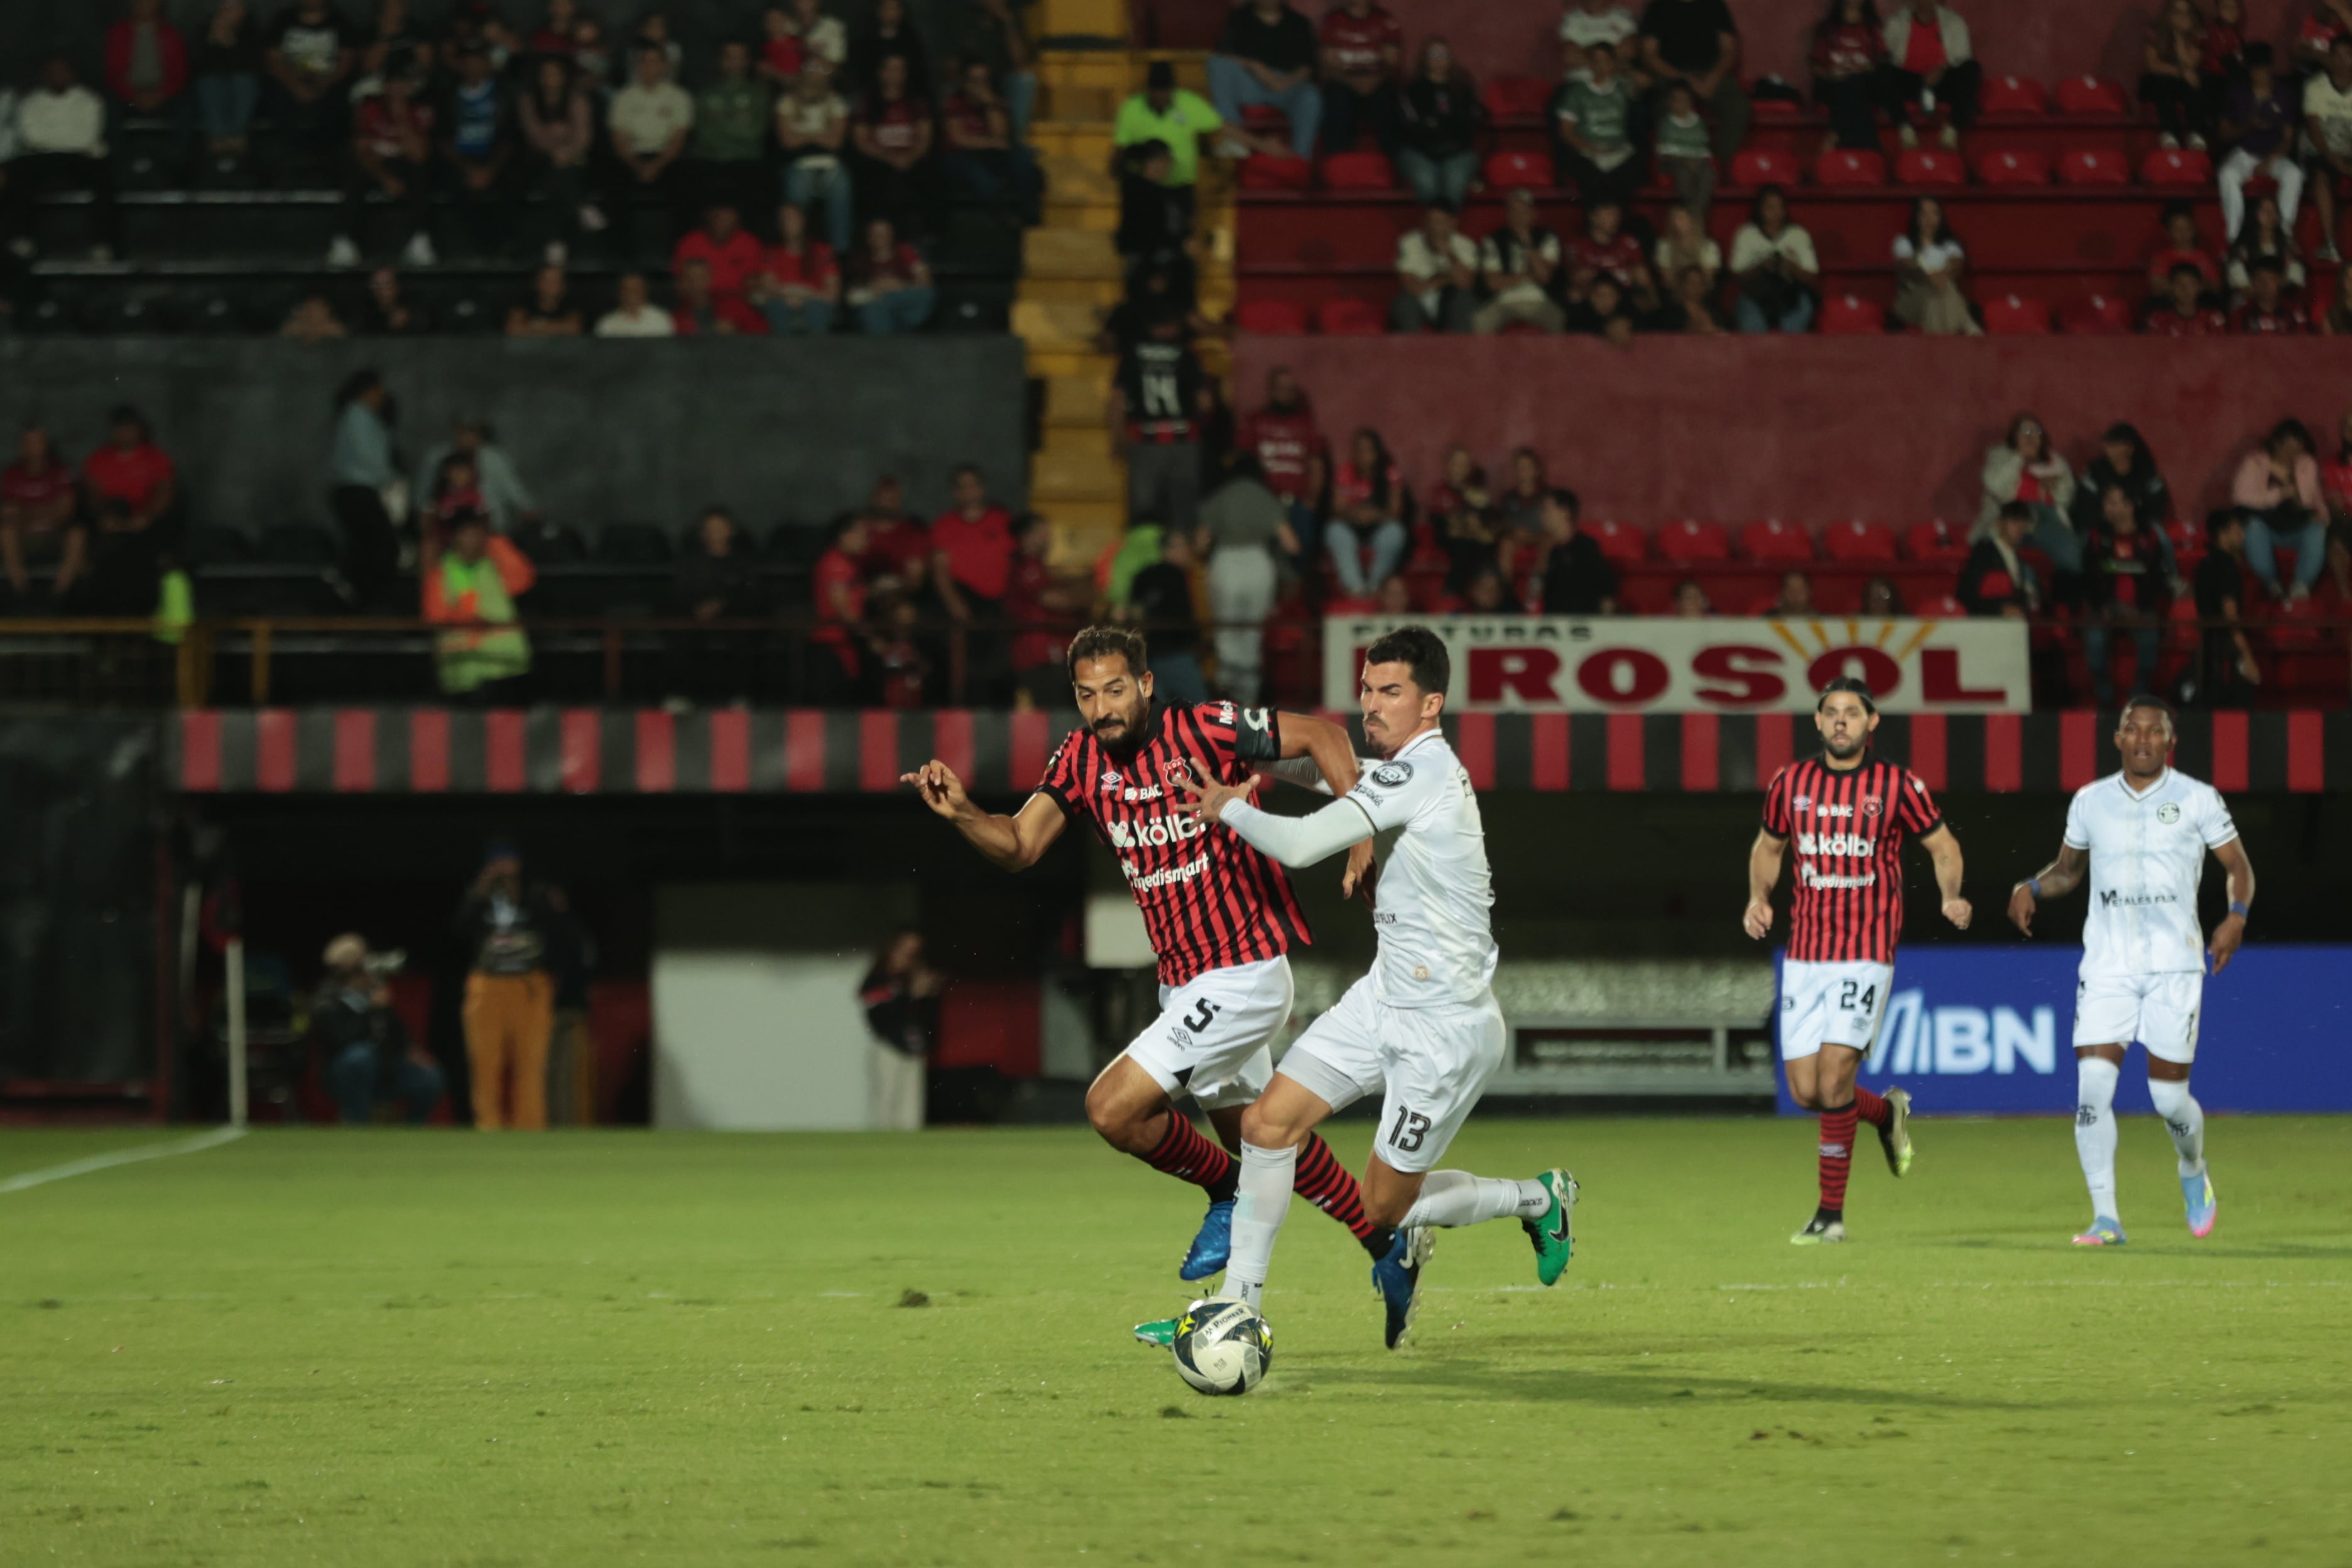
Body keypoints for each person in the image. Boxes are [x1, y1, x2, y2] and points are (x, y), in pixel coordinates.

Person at [901, 625, 1387, 1315]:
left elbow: (1326, 739)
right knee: (1268, 1135)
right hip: (1185, 983)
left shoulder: (1205, 729)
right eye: (1088, 694)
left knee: (1112, 1107)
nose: (1103, 708)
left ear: (1147, 685)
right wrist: (963, 814)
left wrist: (1359, 831)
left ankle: (1225, 1195)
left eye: (1116, 689)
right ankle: (1383, 1243)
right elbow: (1017, 845)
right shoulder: (1078, 759)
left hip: (1244, 970)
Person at [1172, 626, 1580, 1350]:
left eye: (1390, 692)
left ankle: (1538, 1198)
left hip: (1445, 1030)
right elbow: (1339, 772)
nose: (1371, 704)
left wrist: (1228, 807)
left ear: (1432, 704)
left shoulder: (1423, 772)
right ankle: (1236, 1307)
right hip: (1380, 1000)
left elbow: (1300, 846)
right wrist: (1263, 761)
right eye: (1366, 689)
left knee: (1384, 1211)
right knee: (1268, 1126)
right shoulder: (1397, 771)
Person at [2006, 697, 2253, 1246]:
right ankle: (2106, 1218)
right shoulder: (2091, 801)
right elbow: (2069, 871)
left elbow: (2238, 867)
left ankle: (2193, 1169)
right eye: (2132, 730)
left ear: (2171, 742)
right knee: (2093, 1088)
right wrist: (2034, 886)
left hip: (2175, 965)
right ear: (2117, 739)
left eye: (2154, 731)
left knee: (2169, 1101)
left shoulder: (2197, 798)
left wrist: (2235, 917)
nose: (2143, 739)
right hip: (2108, 965)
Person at [1745, 676, 1966, 1244]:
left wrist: (1950, 895)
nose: (1841, 721)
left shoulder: (1897, 786)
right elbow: (1769, 847)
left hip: (1865, 954)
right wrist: (1758, 898)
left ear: (1872, 723)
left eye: (1852, 712)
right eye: (1831, 712)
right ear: (1817, 723)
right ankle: (1886, 1116)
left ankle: (1830, 1216)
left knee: (1835, 1075)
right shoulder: (1789, 783)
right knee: (1807, 1092)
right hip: (1805, 956)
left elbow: (1943, 845)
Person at [452, 842, 555, 1131]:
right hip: (488, 985)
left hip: (528, 986)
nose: (503, 869)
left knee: (531, 1064)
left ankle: (530, 1126)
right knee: (485, 1063)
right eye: (498, 863)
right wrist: (480, 891)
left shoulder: (534, 897)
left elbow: (552, 929)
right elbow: (459, 933)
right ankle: (488, 1126)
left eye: (509, 862)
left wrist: (523, 894)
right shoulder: (479, 899)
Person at [315, 934, 443, 1126]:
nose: (368, 975)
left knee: (429, 1076)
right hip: (344, 1073)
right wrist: (370, 1012)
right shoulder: (328, 1000)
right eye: (360, 971)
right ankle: (356, 1122)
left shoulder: (377, 996)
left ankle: (415, 1130)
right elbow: (341, 1040)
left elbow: (398, 1033)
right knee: (360, 1056)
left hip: (386, 1070)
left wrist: (411, 1049)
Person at [1200, 455, 1296, 705]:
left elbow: (1201, 542)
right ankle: (1249, 699)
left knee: (1226, 631)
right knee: (1252, 633)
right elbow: (1291, 543)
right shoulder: (1266, 498)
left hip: (1225, 563)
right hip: (1258, 563)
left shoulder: (1220, 496)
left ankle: (1225, 699)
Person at [4, 58, 117, 262]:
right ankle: (21, 239)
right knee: (18, 173)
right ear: (44, 76)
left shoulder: (90, 101)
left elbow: (87, 136)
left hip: (81, 158)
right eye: (52, 72)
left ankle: (104, 243)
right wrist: (60, 142)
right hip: (43, 159)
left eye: (62, 71)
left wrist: (54, 142)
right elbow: (31, 135)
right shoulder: (31, 103)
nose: (57, 76)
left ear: (72, 75)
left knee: (104, 178)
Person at [1111, 312, 1208, 536]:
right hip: (1182, 440)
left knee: (1144, 513)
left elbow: (1117, 400)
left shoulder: (1132, 356)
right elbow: (1205, 403)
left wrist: (1118, 438)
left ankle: (1144, 561)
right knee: (1183, 513)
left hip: (1145, 441)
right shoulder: (1188, 356)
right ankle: (1180, 562)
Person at [425, 509, 535, 699]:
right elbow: (434, 614)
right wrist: (470, 620)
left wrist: (494, 540)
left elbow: (523, 580)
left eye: (477, 532)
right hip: (463, 672)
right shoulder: (441, 572)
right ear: (453, 538)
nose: (472, 539)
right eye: (465, 533)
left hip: (507, 667)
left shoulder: (496, 564)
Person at [1113, 61, 1228, 242]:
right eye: (1156, 90)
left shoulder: (1189, 103)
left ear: (1172, 89)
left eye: (1164, 90)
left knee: (1186, 237)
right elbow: (1120, 152)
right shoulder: (1132, 108)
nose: (1160, 96)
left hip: (1181, 186)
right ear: (1149, 90)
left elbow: (1221, 126)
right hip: (1145, 190)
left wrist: (1261, 144)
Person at [2081, 486, 2171, 705]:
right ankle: (2105, 698)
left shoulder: (2149, 537)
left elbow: (2158, 580)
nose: (2109, 508)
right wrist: (2102, 606)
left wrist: (2140, 608)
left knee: (2150, 636)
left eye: (2115, 502)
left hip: (2139, 608)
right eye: (2107, 502)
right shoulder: (2096, 536)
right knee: (2094, 639)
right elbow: (2088, 577)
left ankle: (2139, 696)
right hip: (2105, 608)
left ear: (2130, 506)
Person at [1209, 0, 1323, 160]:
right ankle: (1234, 138)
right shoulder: (1239, 18)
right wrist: (1255, 66)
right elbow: (1223, 53)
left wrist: (1283, 83)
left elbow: (1308, 66)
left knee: (1310, 95)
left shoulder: (1298, 22)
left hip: (1287, 85)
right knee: (1218, 65)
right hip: (1251, 84)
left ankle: (1300, 159)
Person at [1638, 0, 1748, 163]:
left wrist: (1713, 78)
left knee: (1738, 106)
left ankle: (1718, 163)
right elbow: (1649, 55)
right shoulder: (1659, 6)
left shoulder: (1715, 5)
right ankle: (1675, 165)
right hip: (1670, 75)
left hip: (1710, 74)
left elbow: (1729, 49)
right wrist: (1683, 79)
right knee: (1662, 107)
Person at [1976, 411, 2078, 582]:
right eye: (2025, 432)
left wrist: (2055, 488)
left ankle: (2064, 598)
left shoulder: (2056, 463)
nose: (2031, 437)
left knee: (2072, 557)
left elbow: (2066, 498)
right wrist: (2019, 458)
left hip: (2048, 518)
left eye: (2036, 431)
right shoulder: (2000, 457)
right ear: (2014, 436)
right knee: (2003, 558)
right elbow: (1996, 487)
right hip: (2013, 516)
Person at [519, 54, 602, 261]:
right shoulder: (528, 101)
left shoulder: (577, 99)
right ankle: (580, 205)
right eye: (546, 75)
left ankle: (555, 242)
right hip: (540, 158)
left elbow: (583, 135)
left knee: (560, 176)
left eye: (555, 74)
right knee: (555, 173)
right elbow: (534, 134)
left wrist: (568, 152)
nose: (551, 79)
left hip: (574, 159)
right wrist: (555, 151)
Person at [2232, 418, 2326, 600]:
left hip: (2296, 525)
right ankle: (2270, 583)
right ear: (2276, 443)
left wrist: (2320, 514)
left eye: (2298, 450)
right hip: (2267, 526)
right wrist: (2279, 494)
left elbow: (2316, 500)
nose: (2293, 455)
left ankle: (2301, 586)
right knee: (2253, 526)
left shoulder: (2307, 465)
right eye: (2289, 449)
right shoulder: (2255, 462)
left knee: (2317, 529)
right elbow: (2241, 498)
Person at [2218, 43, 2302, 240]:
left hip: (2274, 155)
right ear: (2249, 70)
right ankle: (2235, 237)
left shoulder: (2286, 95)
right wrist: (2246, 126)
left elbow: (2288, 139)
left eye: (2263, 69)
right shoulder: (2237, 93)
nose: (2259, 74)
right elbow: (2223, 134)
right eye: (2255, 69)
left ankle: (2283, 234)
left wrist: (2270, 160)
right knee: (2227, 175)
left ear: (2271, 68)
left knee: (2294, 175)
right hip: (2245, 153)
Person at [327, 373, 397, 610]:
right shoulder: (358, 415)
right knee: (382, 545)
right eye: (379, 391)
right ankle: (355, 592)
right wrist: (390, 479)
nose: (382, 397)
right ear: (367, 391)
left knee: (366, 545)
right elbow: (369, 456)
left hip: (357, 490)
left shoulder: (364, 417)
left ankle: (356, 595)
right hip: (357, 489)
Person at [438, 45, 516, 258]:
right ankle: (474, 247)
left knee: (511, 185)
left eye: (479, 62)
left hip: (495, 158)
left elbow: (510, 138)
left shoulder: (504, 93)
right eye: (469, 63)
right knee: (457, 188)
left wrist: (490, 169)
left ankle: (505, 245)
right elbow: (442, 139)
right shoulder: (448, 94)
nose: (474, 68)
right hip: (461, 160)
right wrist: (469, 169)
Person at [607, 43, 694, 231]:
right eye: (643, 62)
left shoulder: (679, 97)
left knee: (686, 184)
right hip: (631, 157)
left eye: (654, 62)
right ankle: (622, 253)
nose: (648, 67)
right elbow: (619, 141)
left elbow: (678, 142)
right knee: (611, 183)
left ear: (665, 66)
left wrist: (655, 166)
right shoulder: (624, 98)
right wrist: (637, 165)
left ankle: (679, 248)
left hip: (666, 157)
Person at [860, 929, 940, 1131]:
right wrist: (909, 994)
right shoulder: (880, 978)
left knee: (911, 1110)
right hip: (889, 1046)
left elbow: (928, 1016)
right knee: (885, 1105)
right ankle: (880, 1154)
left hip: (915, 1048)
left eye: (915, 951)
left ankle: (909, 1156)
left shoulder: (915, 976)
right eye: (905, 949)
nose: (909, 955)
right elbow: (875, 1009)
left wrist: (926, 993)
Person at [3, 424, 88, 606]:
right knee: (6, 532)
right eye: (29, 443)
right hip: (25, 538)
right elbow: (8, 513)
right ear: (21, 446)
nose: (34, 448)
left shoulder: (61, 472)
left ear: (46, 445)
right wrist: (45, 511)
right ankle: (22, 594)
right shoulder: (11, 474)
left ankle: (58, 596)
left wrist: (27, 512)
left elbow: (66, 509)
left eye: (38, 442)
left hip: (54, 536)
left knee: (78, 534)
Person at [849, 52, 932, 238]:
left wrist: (908, 158)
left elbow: (925, 139)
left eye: (900, 70)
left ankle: (918, 239)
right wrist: (890, 158)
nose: (895, 74)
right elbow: (861, 141)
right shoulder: (867, 102)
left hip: (912, 161)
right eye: (891, 69)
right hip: (878, 161)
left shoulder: (917, 103)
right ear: (881, 73)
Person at [940, 58, 1037, 219]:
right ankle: (1002, 216)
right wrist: (990, 143)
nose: (980, 85)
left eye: (985, 80)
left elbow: (1001, 135)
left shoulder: (995, 102)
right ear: (965, 82)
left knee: (1022, 156)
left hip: (987, 153)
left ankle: (1029, 212)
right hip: (960, 155)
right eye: (975, 80)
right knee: (978, 173)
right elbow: (959, 139)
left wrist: (989, 104)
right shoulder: (955, 102)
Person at [778, 55, 854, 254]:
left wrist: (804, 135)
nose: (814, 75)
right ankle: (797, 253)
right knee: (797, 193)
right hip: (799, 165)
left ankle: (839, 255)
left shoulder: (836, 102)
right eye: (811, 69)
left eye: (820, 70)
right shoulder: (787, 102)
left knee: (842, 189)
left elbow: (836, 141)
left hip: (831, 165)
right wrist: (821, 135)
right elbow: (788, 141)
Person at [1876, 0, 1979, 149]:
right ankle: (1905, 129)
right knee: (1882, 71)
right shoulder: (1897, 22)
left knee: (1972, 69)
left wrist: (1942, 68)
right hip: (1911, 82)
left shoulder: (1954, 22)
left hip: (1942, 81)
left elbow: (1963, 57)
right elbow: (1886, 56)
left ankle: (1951, 130)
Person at [1552, 40, 1640, 210]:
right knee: (1592, 180)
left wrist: (1624, 70)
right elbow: (1566, 132)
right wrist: (1592, 148)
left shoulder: (1624, 88)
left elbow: (1639, 85)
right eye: (1596, 61)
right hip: (1588, 152)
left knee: (1629, 176)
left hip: (1618, 152)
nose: (1602, 66)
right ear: (1590, 64)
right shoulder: (1576, 92)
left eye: (1606, 61)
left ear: (1613, 63)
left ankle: (1617, 224)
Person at [263, 0, 356, 163]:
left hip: (327, 79)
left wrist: (324, 84)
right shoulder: (283, 20)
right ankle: (288, 159)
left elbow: (346, 60)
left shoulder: (339, 21)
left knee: (339, 102)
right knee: (277, 98)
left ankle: (327, 159)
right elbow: (273, 60)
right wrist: (295, 85)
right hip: (290, 79)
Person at [1124, 528, 1209, 704]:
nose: (1188, 551)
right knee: (1200, 710)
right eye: (1183, 546)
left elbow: (1133, 612)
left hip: (1148, 656)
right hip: (1177, 654)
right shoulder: (1177, 576)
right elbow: (1183, 615)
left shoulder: (1143, 575)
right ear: (1168, 550)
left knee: (1157, 714)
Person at [414, 420, 539, 539]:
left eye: (472, 432)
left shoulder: (494, 460)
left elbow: (514, 492)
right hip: (447, 536)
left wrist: (529, 511)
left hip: (487, 534)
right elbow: (424, 502)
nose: (468, 438)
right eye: (463, 432)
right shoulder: (438, 458)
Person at [693, 38, 772, 225]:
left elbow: (755, 133)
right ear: (721, 61)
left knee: (759, 189)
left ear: (747, 61)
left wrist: (720, 124)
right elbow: (703, 133)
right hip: (710, 159)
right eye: (729, 57)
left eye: (739, 58)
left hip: (747, 160)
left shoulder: (759, 94)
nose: (734, 63)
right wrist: (738, 126)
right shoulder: (706, 93)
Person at [1325, 427, 1411, 597]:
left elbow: (1396, 512)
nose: (1364, 454)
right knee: (1334, 531)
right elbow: (1336, 510)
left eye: (1368, 449)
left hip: (1379, 526)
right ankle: (1355, 589)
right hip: (1351, 526)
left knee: (1396, 532)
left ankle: (1375, 587)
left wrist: (1374, 515)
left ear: (1377, 452)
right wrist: (1356, 514)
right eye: (1359, 449)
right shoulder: (1345, 471)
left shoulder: (1389, 473)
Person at [1398, 38, 1480, 210]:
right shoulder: (1412, 89)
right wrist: (1442, 124)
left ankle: (1447, 234)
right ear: (1424, 59)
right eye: (1433, 54)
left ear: (1450, 58)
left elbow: (1468, 125)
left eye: (1443, 54)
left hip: (1458, 151)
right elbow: (1412, 127)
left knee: (1454, 184)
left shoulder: (1462, 89)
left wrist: (1436, 124)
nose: (1438, 59)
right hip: (1419, 151)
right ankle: (1433, 233)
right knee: (1427, 184)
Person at [1473, 188, 1565, 334]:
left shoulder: (1547, 238)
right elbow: (1493, 283)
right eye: (1514, 211)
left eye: (1523, 211)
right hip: (1504, 301)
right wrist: (1528, 276)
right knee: (1480, 320)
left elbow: (1544, 276)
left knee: (1558, 319)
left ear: (1533, 213)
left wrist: (1527, 243)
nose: (1519, 217)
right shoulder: (1494, 240)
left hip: (1539, 301)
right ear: (1508, 215)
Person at [1318, 0, 1403, 158]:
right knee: (1336, 100)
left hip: (1377, 82)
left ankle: (1391, 166)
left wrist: (1372, 81)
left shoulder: (1384, 20)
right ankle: (1336, 165)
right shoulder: (1333, 20)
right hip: (1343, 83)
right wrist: (1355, 82)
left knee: (1389, 100)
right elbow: (1327, 65)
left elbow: (1392, 63)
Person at [1729, 185, 1819, 333]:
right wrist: (1762, 267)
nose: (1775, 212)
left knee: (1802, 310)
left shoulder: (1798, 234)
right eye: (1770, 207)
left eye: (1779, 207)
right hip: (1755, 293)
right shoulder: (1747, 234)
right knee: (1753, 330)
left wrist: (1790, 266)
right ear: (1760, 209)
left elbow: (1812, 276)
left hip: (1791, 294)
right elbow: (1736, 274)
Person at [2194, 510, 2261, 703]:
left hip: (2207, 647)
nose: (2242, 534)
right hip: (2227, 653)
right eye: (2236, 529)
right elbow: (2230, 614)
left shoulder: (2204, 565)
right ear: (2223, 534)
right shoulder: (2227, 567)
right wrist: (2246, 655)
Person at [751, 201, 839, 334]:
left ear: (803, 221)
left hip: (815, 306)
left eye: (791, 218)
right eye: (783, 219)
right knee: (776, 306)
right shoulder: (771, 253)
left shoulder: (823, 252)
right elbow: (769, 288)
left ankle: (819, 349)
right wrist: (803, 294)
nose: (787, 223)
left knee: (816, 308)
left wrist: (799, 295)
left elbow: (832, 294)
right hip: (783, 305)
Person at [1892, 193, 1974, 334]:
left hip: (1942, 296)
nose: (1929, 219)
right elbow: (1908, 268)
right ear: (1916, 217)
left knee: (1939, 295)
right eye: (1924, 213)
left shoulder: (1950, 245)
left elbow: (1956, 265)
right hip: (1912, 300)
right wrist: (1929, 277)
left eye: (1934, 214)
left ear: (1940, 218)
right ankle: (1970, 329)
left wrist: (1941, 276)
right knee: (1938, 291)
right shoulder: (1904, 243)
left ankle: (1936, 343)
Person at [1390, 203, 1478, 333]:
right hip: (1419, 301)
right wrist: (1447, 280)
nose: (1435, 228)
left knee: (1464, 300)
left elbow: (1465, 283)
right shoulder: (1409, 242)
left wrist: (1450, 254)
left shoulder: (1465, 245)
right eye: (1431, 222)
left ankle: (1460, 350)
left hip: (1450, 300)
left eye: (1441, 222)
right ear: (1424, 224)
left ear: (1453, 223)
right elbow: (1411, 287)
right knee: (1404, 303)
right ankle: (1410, 351)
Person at [1811, 0, 1886, 152]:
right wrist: (1830, 75)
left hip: (1863, 85)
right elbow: (1815, 65)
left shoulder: (1872, 28)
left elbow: (1882, 62)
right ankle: (1872, 148)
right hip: (1832, 85)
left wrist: (1865, 67)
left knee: (1855, 84)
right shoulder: (1827, 28)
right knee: (1848, 87)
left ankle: (1834, 133)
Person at [194, 0, 264, 161]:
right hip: (213, 87)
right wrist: (213, 40)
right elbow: (199, 68)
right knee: (210, 83)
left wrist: (229, 41)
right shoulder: (205, 30)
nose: (228, 12)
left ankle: (237, 136)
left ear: (244, 11)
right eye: (225, 7)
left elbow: (252, 67)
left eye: (234, 7)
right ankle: (218, 138)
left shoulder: (253, 32)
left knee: (243, 82)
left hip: (244, 88)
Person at [2306, 34, 2352, 264]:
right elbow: (2315, 132)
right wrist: (2334, 160)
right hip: (2324, 152)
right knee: (2321, 176)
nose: (2343, 61)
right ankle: (2331, 244)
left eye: (2348, 56)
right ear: (2330, 58)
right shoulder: (2316, 87)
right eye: (2338, 55)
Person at [2142, 0, 2211, 151]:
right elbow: (2154, 65)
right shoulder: (2154, 33)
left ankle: (2195, 133)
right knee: (2163, 82)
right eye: (2177, 12)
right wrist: (2180, 73)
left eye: (2187, 12)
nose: (2182, 16)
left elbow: (2191, 64)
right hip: (2157, 81)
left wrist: (2179, 36)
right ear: (2169, 14)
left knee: (2196, 82)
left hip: (2183, 82)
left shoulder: (2199, 35)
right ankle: (2170, 133)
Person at [1537, 487, 1616, 613]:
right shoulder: (1550, 552)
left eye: (1546, 510)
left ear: (1565, 512)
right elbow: (1536, 593)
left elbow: (1606, 595)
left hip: (1583, 623)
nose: (1542, 515)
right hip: (1554, 624)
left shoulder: (1587, 548)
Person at [673, 202, 766, 307]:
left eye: (729, 219)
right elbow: (680, 283)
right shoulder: (690, 243)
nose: (723, 223)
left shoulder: (749, 243)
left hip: (738, 304)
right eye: (719, 218)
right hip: (698, 304)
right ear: (708, 218)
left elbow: (755, 281)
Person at [1959, 499, 2040, 617]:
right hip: (1990, 626)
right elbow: (1966, 597)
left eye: (2023, 523)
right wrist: (1999, 608)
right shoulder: (1984, 553)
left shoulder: (2022, 562)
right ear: (2000, 523)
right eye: (2014, 522)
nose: (2020, 528)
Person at [1653, 76, 1717, 217]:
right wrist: (1685, 161)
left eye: (1685, 100)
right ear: (1669, 102)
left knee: (1708, 174)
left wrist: (1696, 161)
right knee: (1684, 174)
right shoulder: (1666, 123)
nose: (1682, 104)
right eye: (1677, 100)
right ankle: (1691, 216)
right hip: (1673, 162)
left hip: (1697, 161)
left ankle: (1695, 215)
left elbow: (1703, 147)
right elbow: (1664, 151)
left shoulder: (1699, 122)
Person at [2226, 192, 2305, 298]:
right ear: (2254, 215)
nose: (2270, 216)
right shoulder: (2242, 249)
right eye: (2265, 211)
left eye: (2274, 211)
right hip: (2250, 303)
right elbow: (2241, 284)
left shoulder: (2288, 247)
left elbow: (2295, 280)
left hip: (2281, 302)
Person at [672, 254, 770, 335]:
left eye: (701, 278)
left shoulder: (733, 306)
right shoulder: (673, 317)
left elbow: (763, 333)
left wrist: (737, 330)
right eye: (689, 279)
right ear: (680, 283)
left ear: (711, 279)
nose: (696, 284)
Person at [2146, 200, 2220, 300]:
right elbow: (2156, 287)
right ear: (2167, 233)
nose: (2183, 234)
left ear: (2194, 229)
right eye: (2177, 230)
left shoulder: (2203, 257)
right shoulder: (2161, 258)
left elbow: (2215, 286)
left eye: (2187, 228)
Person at [2230, 255, 2313, 333]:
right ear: (2253, 282)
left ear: (2282, 281)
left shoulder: (2294, 314)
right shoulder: (2240, 315)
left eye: (2271, 279)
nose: (2266, 285)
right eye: (2260, 280)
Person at [2145, 259, 2229, 334]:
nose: (2185, 289)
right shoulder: (2158, 319)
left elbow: (2221, 346)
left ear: (2200, 287)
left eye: (2192, 284)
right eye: (2179, 284)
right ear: (2171, 286)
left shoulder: (2214, 317)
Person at [504, 263, 582, 336]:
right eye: (547, 281)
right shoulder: (523, 302)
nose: (551, 286)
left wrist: (535, 326)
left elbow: (575, 329)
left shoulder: (572, 304)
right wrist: (558, 327)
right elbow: (513, 329)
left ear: (564, 285)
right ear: (537, 283)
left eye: (556, 281)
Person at [596, 270, 676, 337]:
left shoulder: (661, 319)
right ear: (619, 292)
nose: (632, 293)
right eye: (627, 289)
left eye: (637, 289)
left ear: (645, 291)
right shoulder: (607, 324)